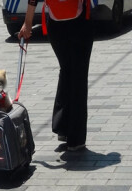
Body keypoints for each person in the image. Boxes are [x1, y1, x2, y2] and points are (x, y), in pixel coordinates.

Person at [19, 0, 94, 151]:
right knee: (78, 76)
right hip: (79, 24)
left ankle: (63, 128)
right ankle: (76, 139)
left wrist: (27, 23)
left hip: (56, 26)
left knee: (66, 71)